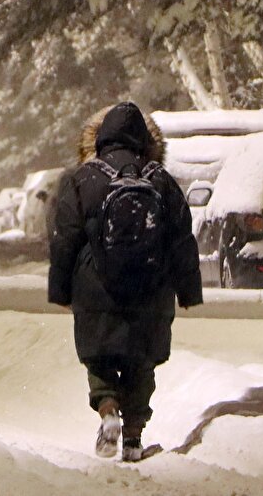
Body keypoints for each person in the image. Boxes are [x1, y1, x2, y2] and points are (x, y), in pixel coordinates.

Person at [48, 101, 202, 461]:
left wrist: (61, 289)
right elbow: (182, 238)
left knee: (99, 359)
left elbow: (64, 238)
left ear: (99, 138)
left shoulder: (81, 179)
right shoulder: (160, 179)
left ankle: (108, 410)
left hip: (95, 286)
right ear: (146, 141)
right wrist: (189, 291)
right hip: (152, 288)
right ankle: (134, 437)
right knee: (142, 362)